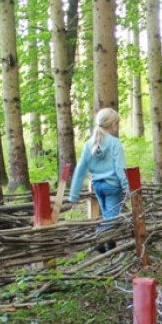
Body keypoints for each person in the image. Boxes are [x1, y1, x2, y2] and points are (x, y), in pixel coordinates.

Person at [68, 107, 128, 251]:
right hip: (112, 187)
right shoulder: (114, 143)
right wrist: (128, 187)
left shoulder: (89, 144)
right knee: (111, 217)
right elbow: (120, 168)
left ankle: (110, 243)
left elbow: (81, 169)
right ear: (114, 125)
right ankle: (98, 239)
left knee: (107, 214)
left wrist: (73, 194)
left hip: (98, 186)